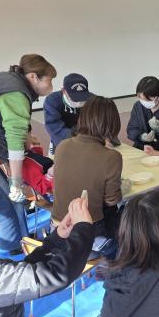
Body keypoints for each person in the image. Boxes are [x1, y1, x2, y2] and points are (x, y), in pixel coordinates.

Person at [0, 54, 56, 253]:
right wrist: (16, 182)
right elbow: (14, 142)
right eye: (50, 80)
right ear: (33, 77)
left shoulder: (9, 81)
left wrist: (27, 136)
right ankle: (13, 252)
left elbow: (10, 124)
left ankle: (18, 243)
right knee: (7, 201)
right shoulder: (15, 93)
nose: (51, 85)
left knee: (11, 199)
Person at [53, 96, 124, 259]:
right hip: (89, 235)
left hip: (57, 229)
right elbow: (112, 200)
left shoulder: (62, 146)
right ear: (113, 124)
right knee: (130, 217)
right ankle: (114, 264)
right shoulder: (111, 157)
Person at [44, 73, 93, 154]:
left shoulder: (93, 100)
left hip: (87, 138)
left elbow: (99, 122)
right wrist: (77, 140)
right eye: (74, 98)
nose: (79, 101)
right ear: (63, 91)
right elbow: (53, 125)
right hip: (63, 138)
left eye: (82, 97)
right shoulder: (53, 100)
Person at [23, 131, 55, 197]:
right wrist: (50, 175)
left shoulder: (26, 154)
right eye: (29, 133)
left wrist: (36, 146)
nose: (31, 135)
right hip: (55, 190)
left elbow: (39, 162)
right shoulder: (25, 165)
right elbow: (41, 188)